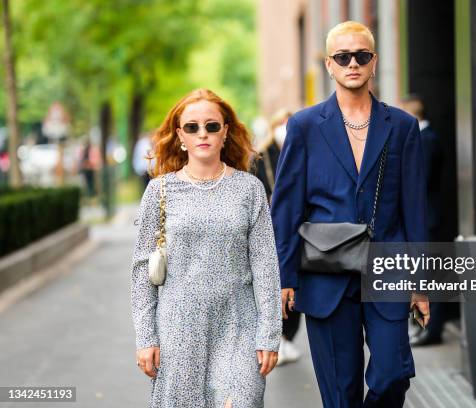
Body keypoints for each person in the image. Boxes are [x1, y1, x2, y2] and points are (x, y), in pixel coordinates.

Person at [271, 21, 430, 407]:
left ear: (374, 62)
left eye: (361, 56)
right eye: (343, 57)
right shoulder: (305, 126)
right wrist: (284, 276)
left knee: (392, 374)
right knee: (340, 396)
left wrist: (421, 280)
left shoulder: (403, 127)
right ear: (329, 65)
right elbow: (287, 205)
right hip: (325, 275)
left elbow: (415, 207)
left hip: (388, 269)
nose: (352, 64)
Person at [131, 88, 282, 408]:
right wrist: (146, 337)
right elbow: (142, 272)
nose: (203, 133)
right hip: (178, 332)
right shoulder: (159, 191)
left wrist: (269, 333)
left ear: (225, 132)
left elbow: (265, 265)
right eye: (192, 126)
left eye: (212, 126)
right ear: (179, 135)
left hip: (240, 328)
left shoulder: (250, 189)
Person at [254, 109, 302, 365]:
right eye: (280, 123)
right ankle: (276, 337)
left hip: (297, 228)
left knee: (295, 282)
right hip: (269, 228)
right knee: (275, 282)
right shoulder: (261, 157)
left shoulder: (301, 148)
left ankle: (288, 337)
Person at [402, 94, 447, 346]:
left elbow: (421, 180)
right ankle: (421, 326)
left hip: (428, 219)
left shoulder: (427, 139)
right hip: (422, 219)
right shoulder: (420, 138)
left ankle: (431, 329)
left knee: (430, 277)